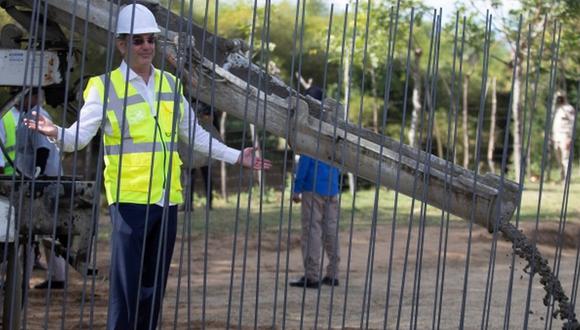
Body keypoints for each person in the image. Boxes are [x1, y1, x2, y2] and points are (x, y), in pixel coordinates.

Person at [24, 4, 271, 329]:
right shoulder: (104, 86)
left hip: (167, 200)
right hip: (128, 202)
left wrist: (238, 156)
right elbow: (78, 138)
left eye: (150, 40)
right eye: (138, 40)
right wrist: (57, 133)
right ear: (122, 44)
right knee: (127, 290)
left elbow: (195, 136)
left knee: (152, 289)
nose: (146, 47)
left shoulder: (170, 85)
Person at [0, 88, 67, 289]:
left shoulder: (36, 116)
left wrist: (37, 179)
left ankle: (21, 280)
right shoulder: (26, 116)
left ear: (36, 96)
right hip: (35, 180)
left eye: (23, 95)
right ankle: (23, 279)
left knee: (29, 233)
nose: (17, 99)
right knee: (32, 234)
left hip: (42, 182)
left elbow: (42, 151)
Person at [289, 86, 341, 289]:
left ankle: (311, 275)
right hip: (332, 186)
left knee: (312, 230)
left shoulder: (310, 127)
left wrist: (297, 188)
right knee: (331, 229)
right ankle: (333, 273)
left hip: (312, 186)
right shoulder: (333, 126)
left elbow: (306, 160)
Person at [552, 90, 576, 182]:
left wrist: (569, 138)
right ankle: (562, 176)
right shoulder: (557, 110)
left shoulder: (569, 109)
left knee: (565, 159)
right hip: (556, 137)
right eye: (558, 97)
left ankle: (567, 179)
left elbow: (572, 123)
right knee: (559, 160)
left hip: (565, 136)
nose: (559, 99)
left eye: (560, 97)